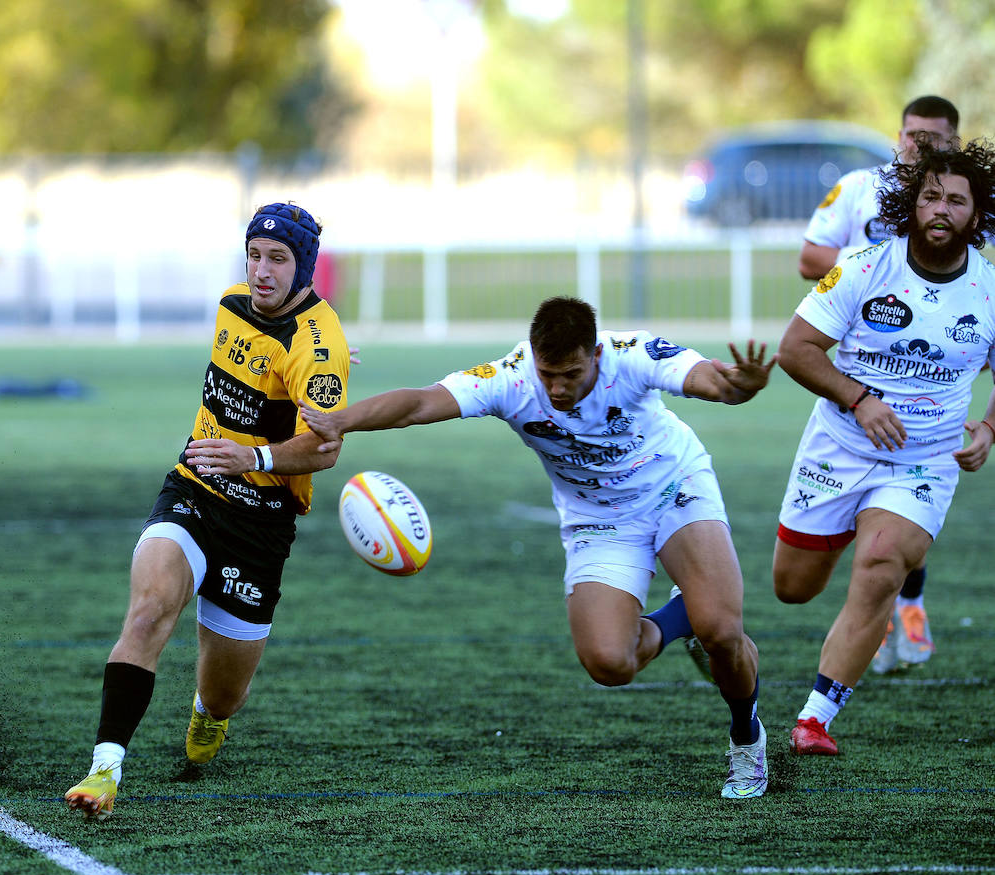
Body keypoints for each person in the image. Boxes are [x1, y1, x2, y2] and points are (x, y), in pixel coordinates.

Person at [299, 296, 777, 799]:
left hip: (673, 486)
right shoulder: (511, 377)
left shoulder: (632, 354)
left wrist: (739, 386)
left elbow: (713, 380)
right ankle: (684, 617)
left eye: (570, 373)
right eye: (547, 373)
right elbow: (420, 402)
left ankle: (745, 737)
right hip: (598, 519)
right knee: (610, 663)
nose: (557, 388)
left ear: (595, 354)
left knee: (724, 630)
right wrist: (342, 420)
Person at [64, 202, 351, 820]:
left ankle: (206, 713)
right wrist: (229, 457)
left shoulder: (317, 344)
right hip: (193, 489)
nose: (261, 270)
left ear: (305, 268)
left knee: (225, 695)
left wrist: (254, 457)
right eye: (254, 254)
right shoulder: (230, 303)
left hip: (262, 523)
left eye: (278, 258)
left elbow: (325, 449)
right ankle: (105, 769)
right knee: (146, 613)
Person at [776, 139, 995, 756]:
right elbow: (795, 349)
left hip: (923, 461)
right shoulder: (867, 265)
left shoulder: (989, 288)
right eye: (931, 196)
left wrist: (987, 429)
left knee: (879, 565)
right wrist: (859, 398)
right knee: (793, 588)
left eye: (956, 200)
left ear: (975, 215)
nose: (941, 209)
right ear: (912, 203)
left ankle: (815, 718)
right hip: (837, 447)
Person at [797, 95, 961, 673]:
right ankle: (886, 596)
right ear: (898, 136)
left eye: (935, 138)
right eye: (913, 135)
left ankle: (906, 607)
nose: (921, 146)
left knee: (909, 487)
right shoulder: (859, 187)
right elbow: (809, 255)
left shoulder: (965, 199)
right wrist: (877, 259)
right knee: (796, 581)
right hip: (863, 356)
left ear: (954, 143)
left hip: (941, 352)